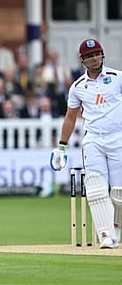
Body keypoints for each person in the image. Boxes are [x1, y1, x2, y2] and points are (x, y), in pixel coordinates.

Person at [50, 39, 122, 249]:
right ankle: (106, 235)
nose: (95, 58)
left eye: (97, 54)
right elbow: (70, 118)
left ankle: (115, 228)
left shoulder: (118, 78)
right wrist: (61, 146)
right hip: (94, 139)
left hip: (118, 137)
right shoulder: (78, 87)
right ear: (82, 60)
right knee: (96, 189)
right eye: (90, 56)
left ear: (103, 55)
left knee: (119, 193)